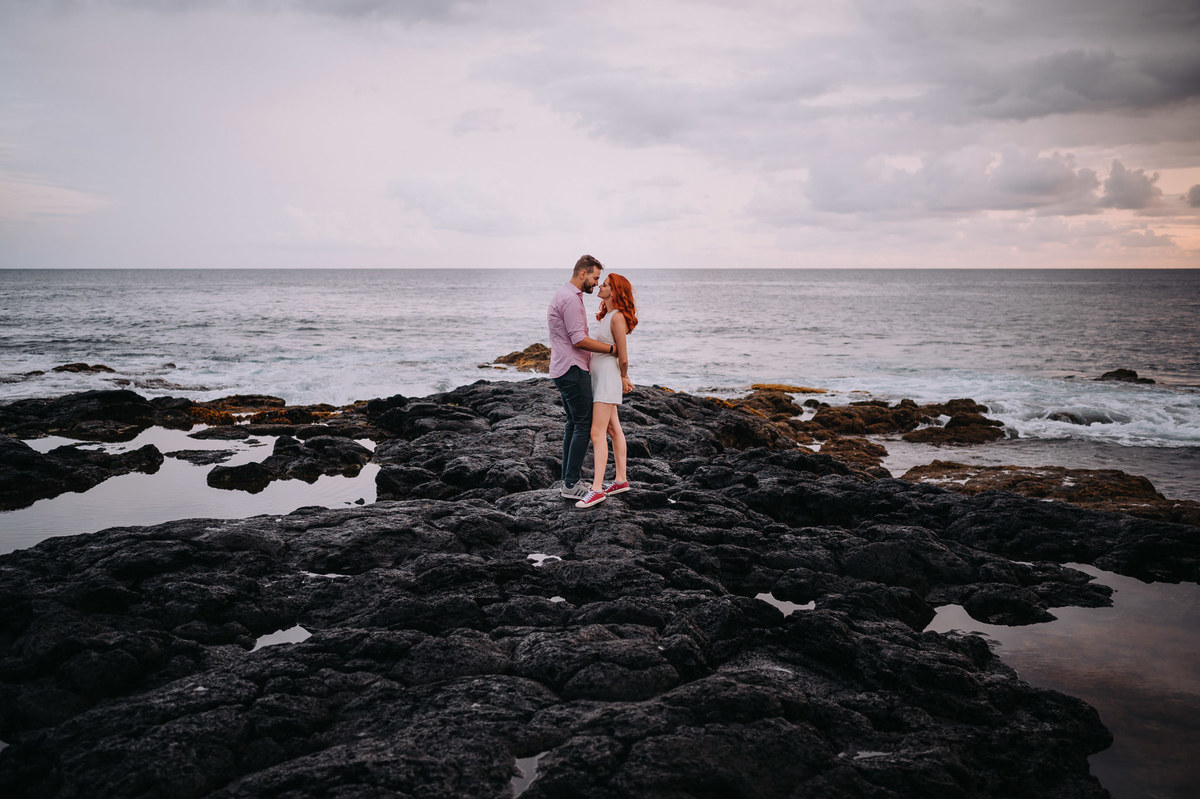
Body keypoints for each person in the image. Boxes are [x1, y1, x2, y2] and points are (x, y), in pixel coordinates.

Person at [547, 254, 618, 500]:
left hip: (563, 368)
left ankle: (568, 480)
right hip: (572, 369)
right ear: (583, 273)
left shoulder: (565, 295)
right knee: (583, 424)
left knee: (573, 423)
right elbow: (578, 340)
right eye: (595, 278)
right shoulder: (570, 299)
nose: (597, 284)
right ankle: (570, 484)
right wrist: (611, 349)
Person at [575, 272, 637, 509]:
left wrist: (623, 377)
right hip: (600, 378)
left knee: (597, 432)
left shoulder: (618, 317)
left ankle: (597, 489)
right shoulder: (608, 315)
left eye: (606, 284)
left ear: (615, 291)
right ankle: (621, 480)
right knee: (613, 429)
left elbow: (623, 355)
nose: (600, 286)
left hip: (608, 379)